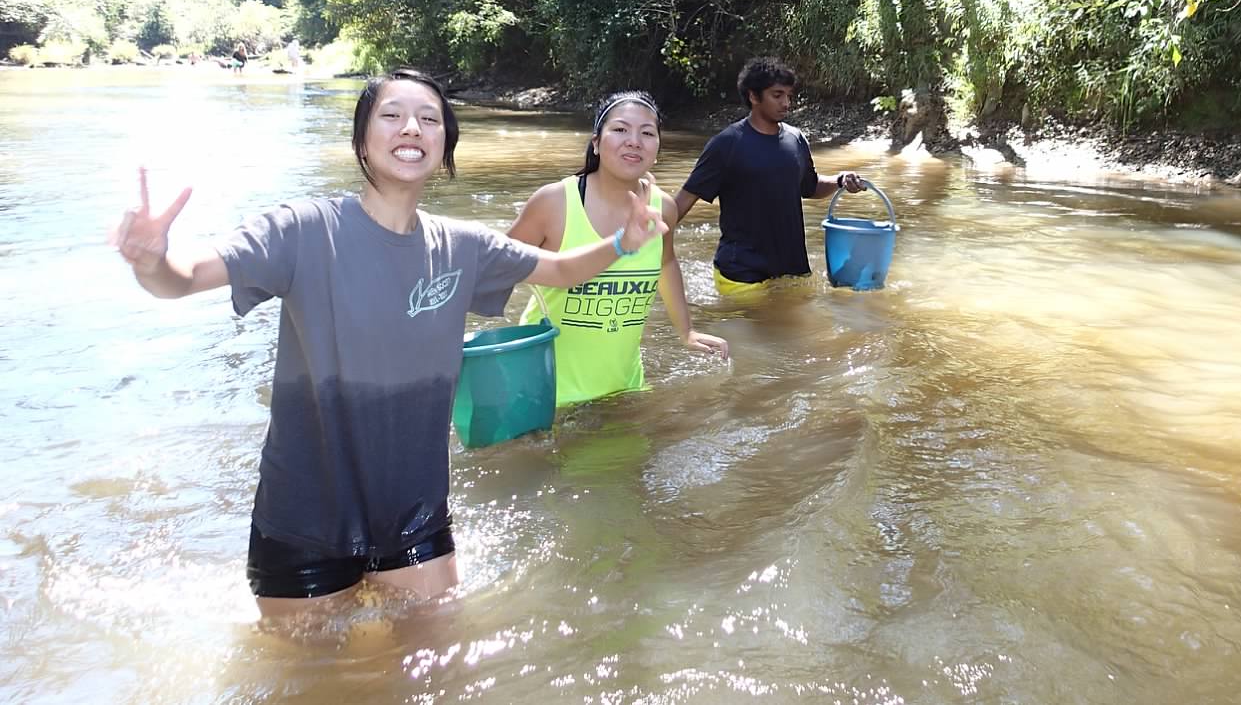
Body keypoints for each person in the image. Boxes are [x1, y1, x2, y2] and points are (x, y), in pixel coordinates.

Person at [110, 67, 662, 619]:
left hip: (414, 511)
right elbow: (184, 278)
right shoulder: (303, 229)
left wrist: (622, 240)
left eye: (429, 120)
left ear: (445, 145)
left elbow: (561, 270)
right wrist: (152, 260)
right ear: (362, 140)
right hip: (306, 517)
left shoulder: (462, 246)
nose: (412, 129)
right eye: (392, 116)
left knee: (432, 675)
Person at [508, 91, 727, 407]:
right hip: (542, 393)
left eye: (647, 133)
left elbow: (666, 263)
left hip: (623, 388)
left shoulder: (663, 208)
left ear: (657, 148)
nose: (634, 141)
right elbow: (493, 263)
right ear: (596, 142)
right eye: (621, 129)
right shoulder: (554, 203)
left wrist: (687, 332)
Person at [673, 56, 865, 295]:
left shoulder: (795, 139)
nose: (786, 103)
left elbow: (810, 187)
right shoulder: (726, 144)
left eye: (788, 95)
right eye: (777, 95)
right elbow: (681, 203)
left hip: (791, 269)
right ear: (754, 96)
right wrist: (639, 240)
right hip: (741, 274)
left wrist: (839, 180)